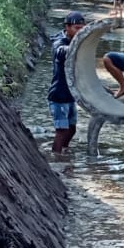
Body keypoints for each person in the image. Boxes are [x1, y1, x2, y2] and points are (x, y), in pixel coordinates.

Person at [47, 10, 86, 153]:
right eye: (77, 28)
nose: (80, 32)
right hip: (58, 95)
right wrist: (74, 47)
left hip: (70, 95)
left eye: (83, 29)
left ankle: (63, 151)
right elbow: (60, 51)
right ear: (67, 27)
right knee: (62, 130)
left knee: (72, 129)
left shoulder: (75, 41)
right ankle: (56, 157)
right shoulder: (60, 42)